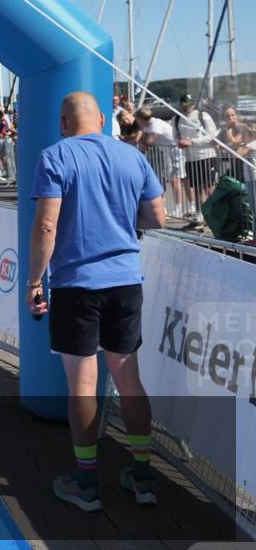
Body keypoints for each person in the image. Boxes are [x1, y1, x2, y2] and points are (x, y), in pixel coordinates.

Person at [27, 92, 166, 512]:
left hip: (76, 285)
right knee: (128, 379)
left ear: (62, 122)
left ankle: (86, 485)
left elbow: (46, 227)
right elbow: (157, 217)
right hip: (125, 281)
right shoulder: (132, 156)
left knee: (82, 386)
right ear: (103, 119)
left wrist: (35, 281)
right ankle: (142, 478)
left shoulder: (55, 156)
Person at [174, 94, 219, 229]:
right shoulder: (176, 118)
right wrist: (180, 142)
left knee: (210, 188)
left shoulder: (203, 116)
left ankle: (215, 216)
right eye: (184, 103)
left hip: (207, 155)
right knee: (198, 188)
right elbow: (175, 136)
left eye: (190, 103)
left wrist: (191, 142)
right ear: (181, 104)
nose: (187, 106)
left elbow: (212, 136)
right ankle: (201, 216)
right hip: (190, 158)